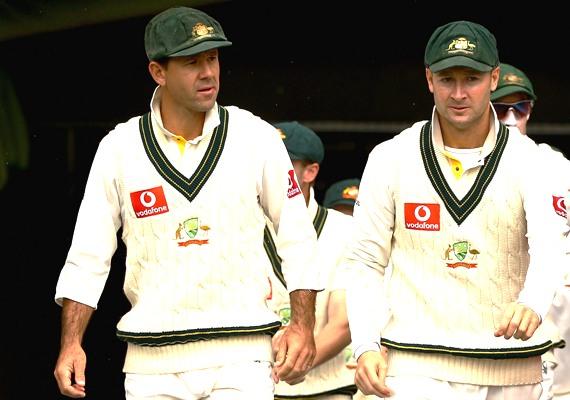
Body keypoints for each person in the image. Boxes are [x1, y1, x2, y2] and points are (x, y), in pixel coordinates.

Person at [53, 7, 323, 400]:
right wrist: (71, 343)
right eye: (192, 62)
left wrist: (302, 323)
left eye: (213, 58)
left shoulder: (256, 137)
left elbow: (297, 235)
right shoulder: (119, 149)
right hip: (151, 362)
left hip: (242, 354)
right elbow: (89, 254)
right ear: (158, 72)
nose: (208, 72)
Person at [342, 20, 568, 400]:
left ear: (494, 78)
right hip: (416, 363)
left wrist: (532, 301)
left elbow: (550, 248)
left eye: (472, 79)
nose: (459, 93)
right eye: (447, 79)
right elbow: (365, 261)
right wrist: (365, 343)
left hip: (511, 365)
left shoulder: (533, 162)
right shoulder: (391, 157)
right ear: (429, 79)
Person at [491, 62, 570, 400]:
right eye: (501, 108)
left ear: (530, 111)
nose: (511, 118)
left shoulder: (555, 165)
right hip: (491, 317)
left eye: (519, 108)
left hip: (555, 323)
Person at [266, 121, 358, 399]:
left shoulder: (345, 230)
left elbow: (344, 321)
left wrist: (291, 366)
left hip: (328, 387)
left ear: (310, 172)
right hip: (255, 386)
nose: (270, 173)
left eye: (283, 164)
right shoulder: (243, 226)